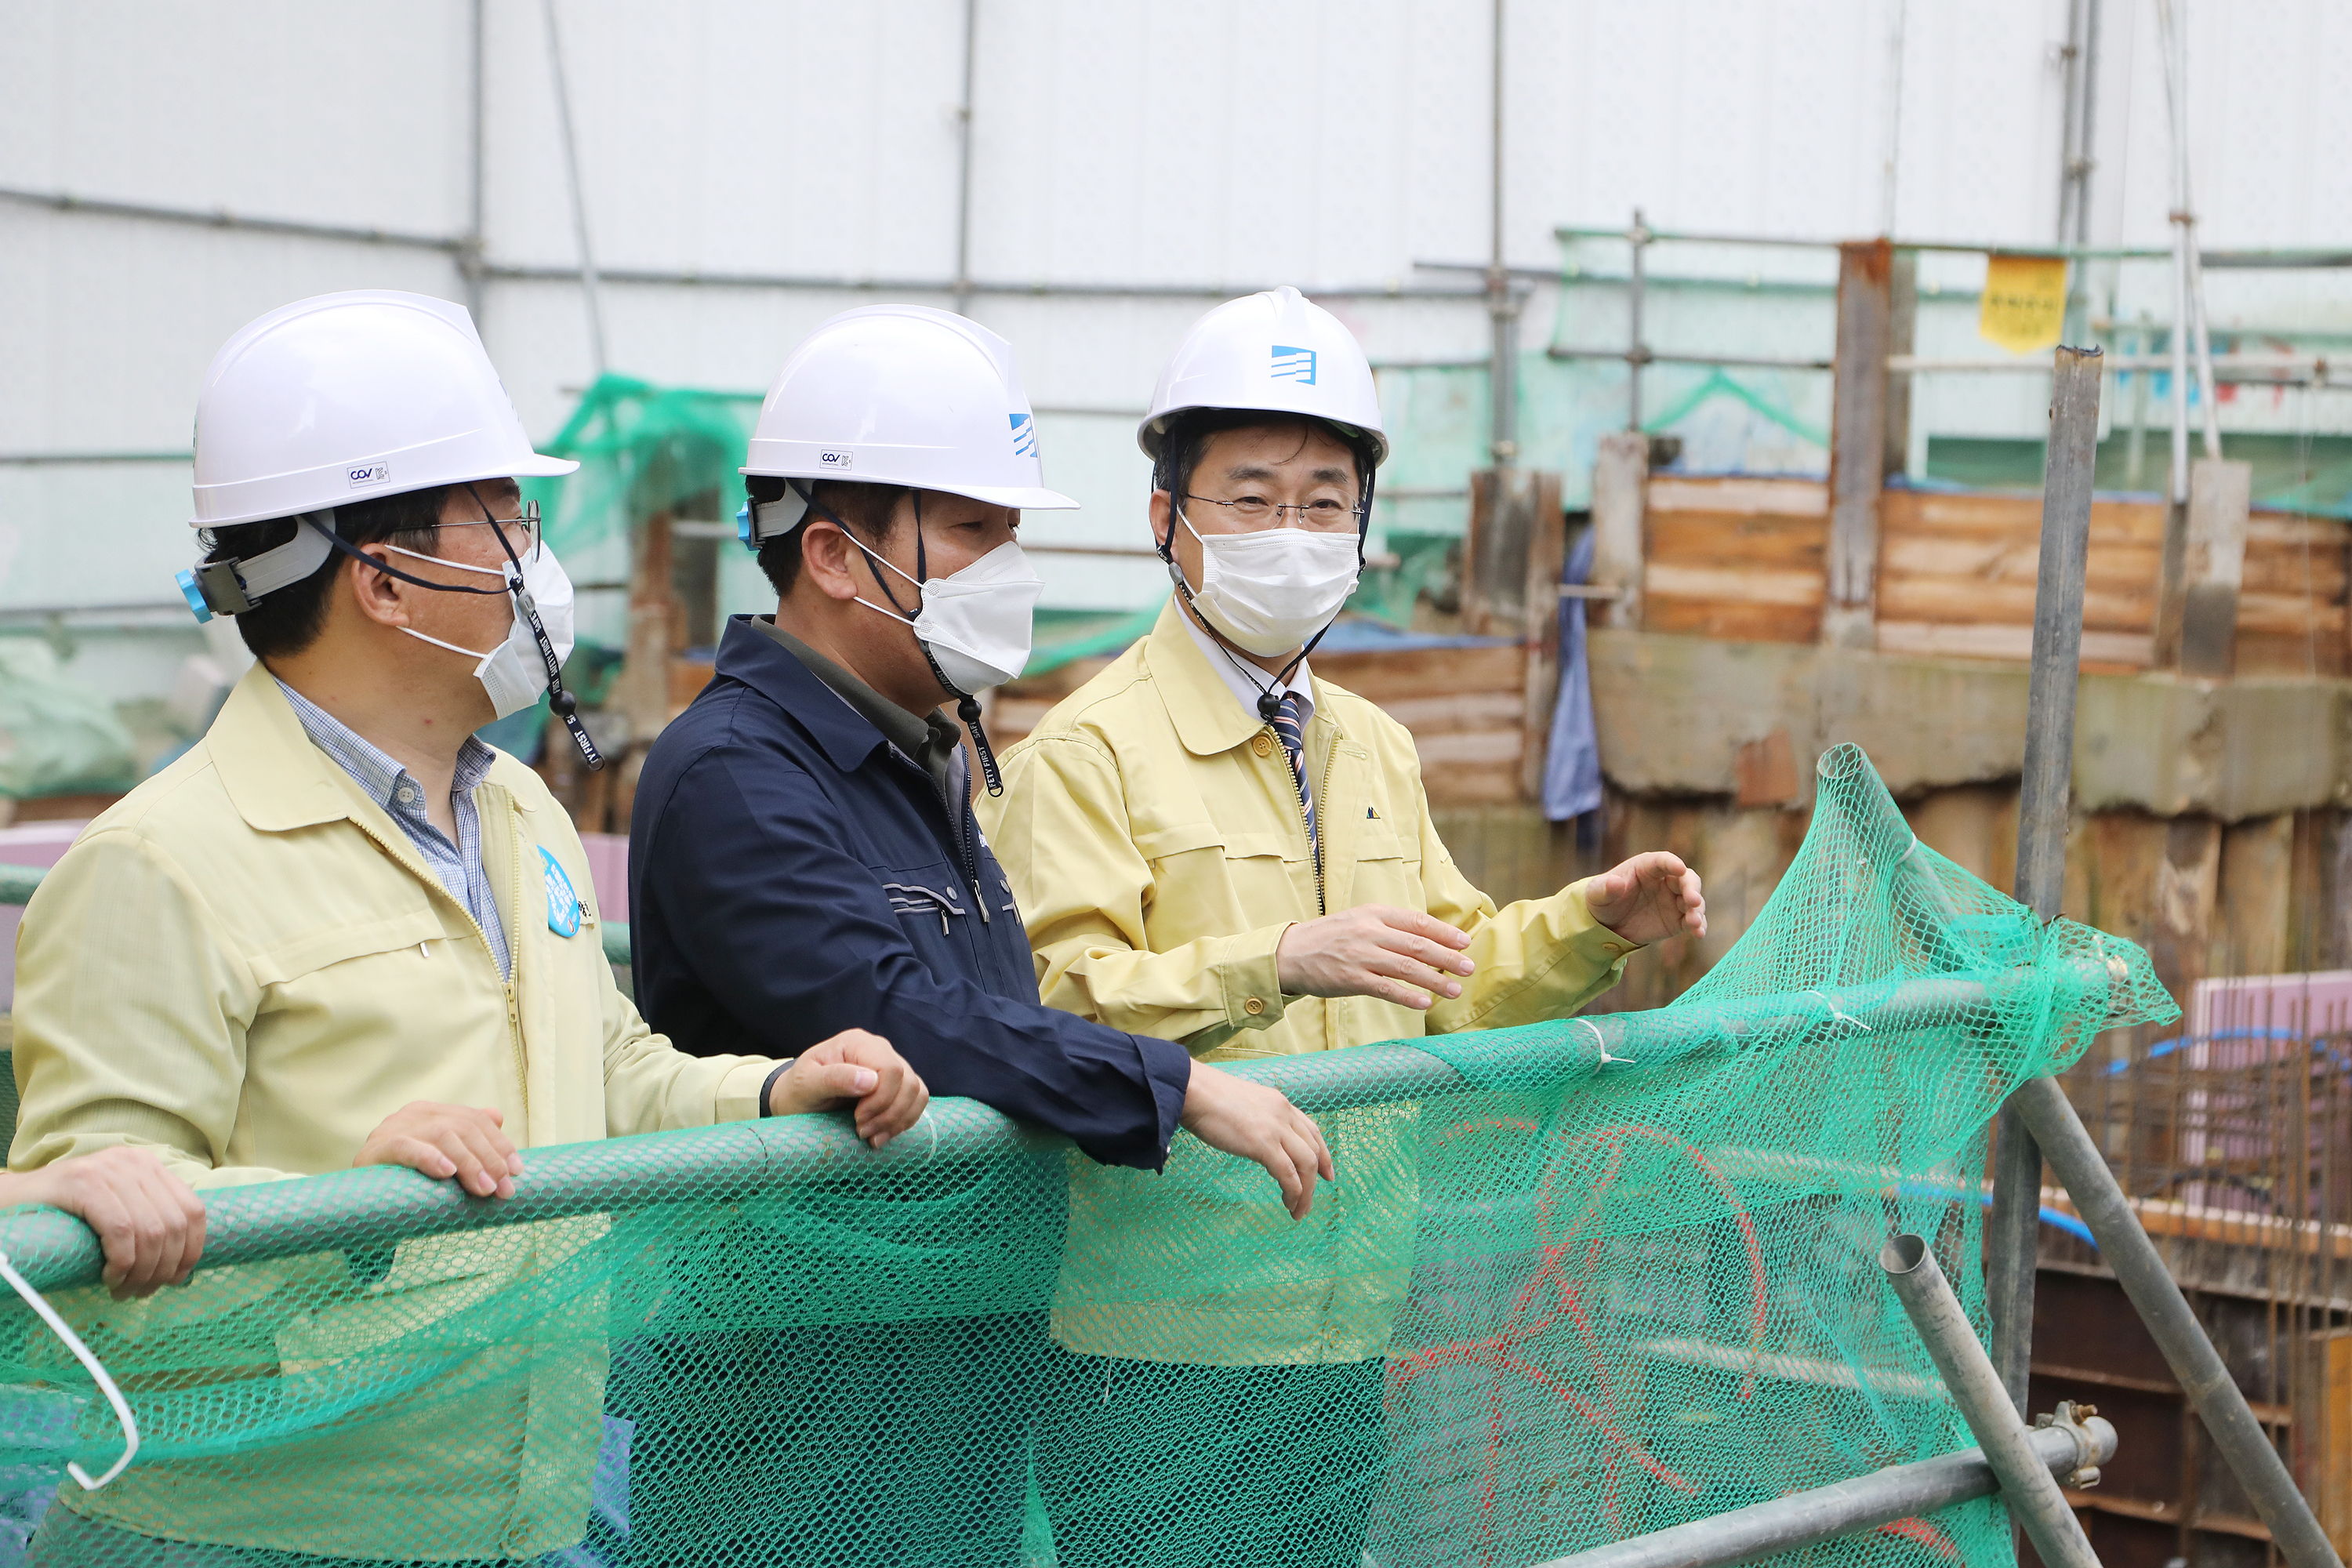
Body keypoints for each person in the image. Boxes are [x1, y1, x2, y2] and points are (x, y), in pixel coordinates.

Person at [7, 290, 925, 1565]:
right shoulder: (160, 864)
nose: (534, 562)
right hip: (262, 1538)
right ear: (384, 579)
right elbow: (75, 1277)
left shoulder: (520, 810)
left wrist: (773, 1094)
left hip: (513, 1518)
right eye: (504, 519)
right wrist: (346, 1218)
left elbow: (604, 1071)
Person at [975, 286, 1708, 1567]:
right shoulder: (1087, 750)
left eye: (1325, 500)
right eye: (1250, 497)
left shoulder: (1374, 745)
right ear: (1168, 518)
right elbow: (1052, 1007)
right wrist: (1274, 962)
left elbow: (1448, 982)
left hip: (1349, 1322)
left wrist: (1592, 926)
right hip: (1151, 1343)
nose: (1292, 530)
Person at [626, 304, 1338, 1566]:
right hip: (794, 1410)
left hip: (946, 1379)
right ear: (839, 557)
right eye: (972, 531)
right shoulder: (738, 774)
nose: (1008, 566)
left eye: (1011, 532)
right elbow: (899, 1012)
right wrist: (1173, 1085)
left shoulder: (925, 754)